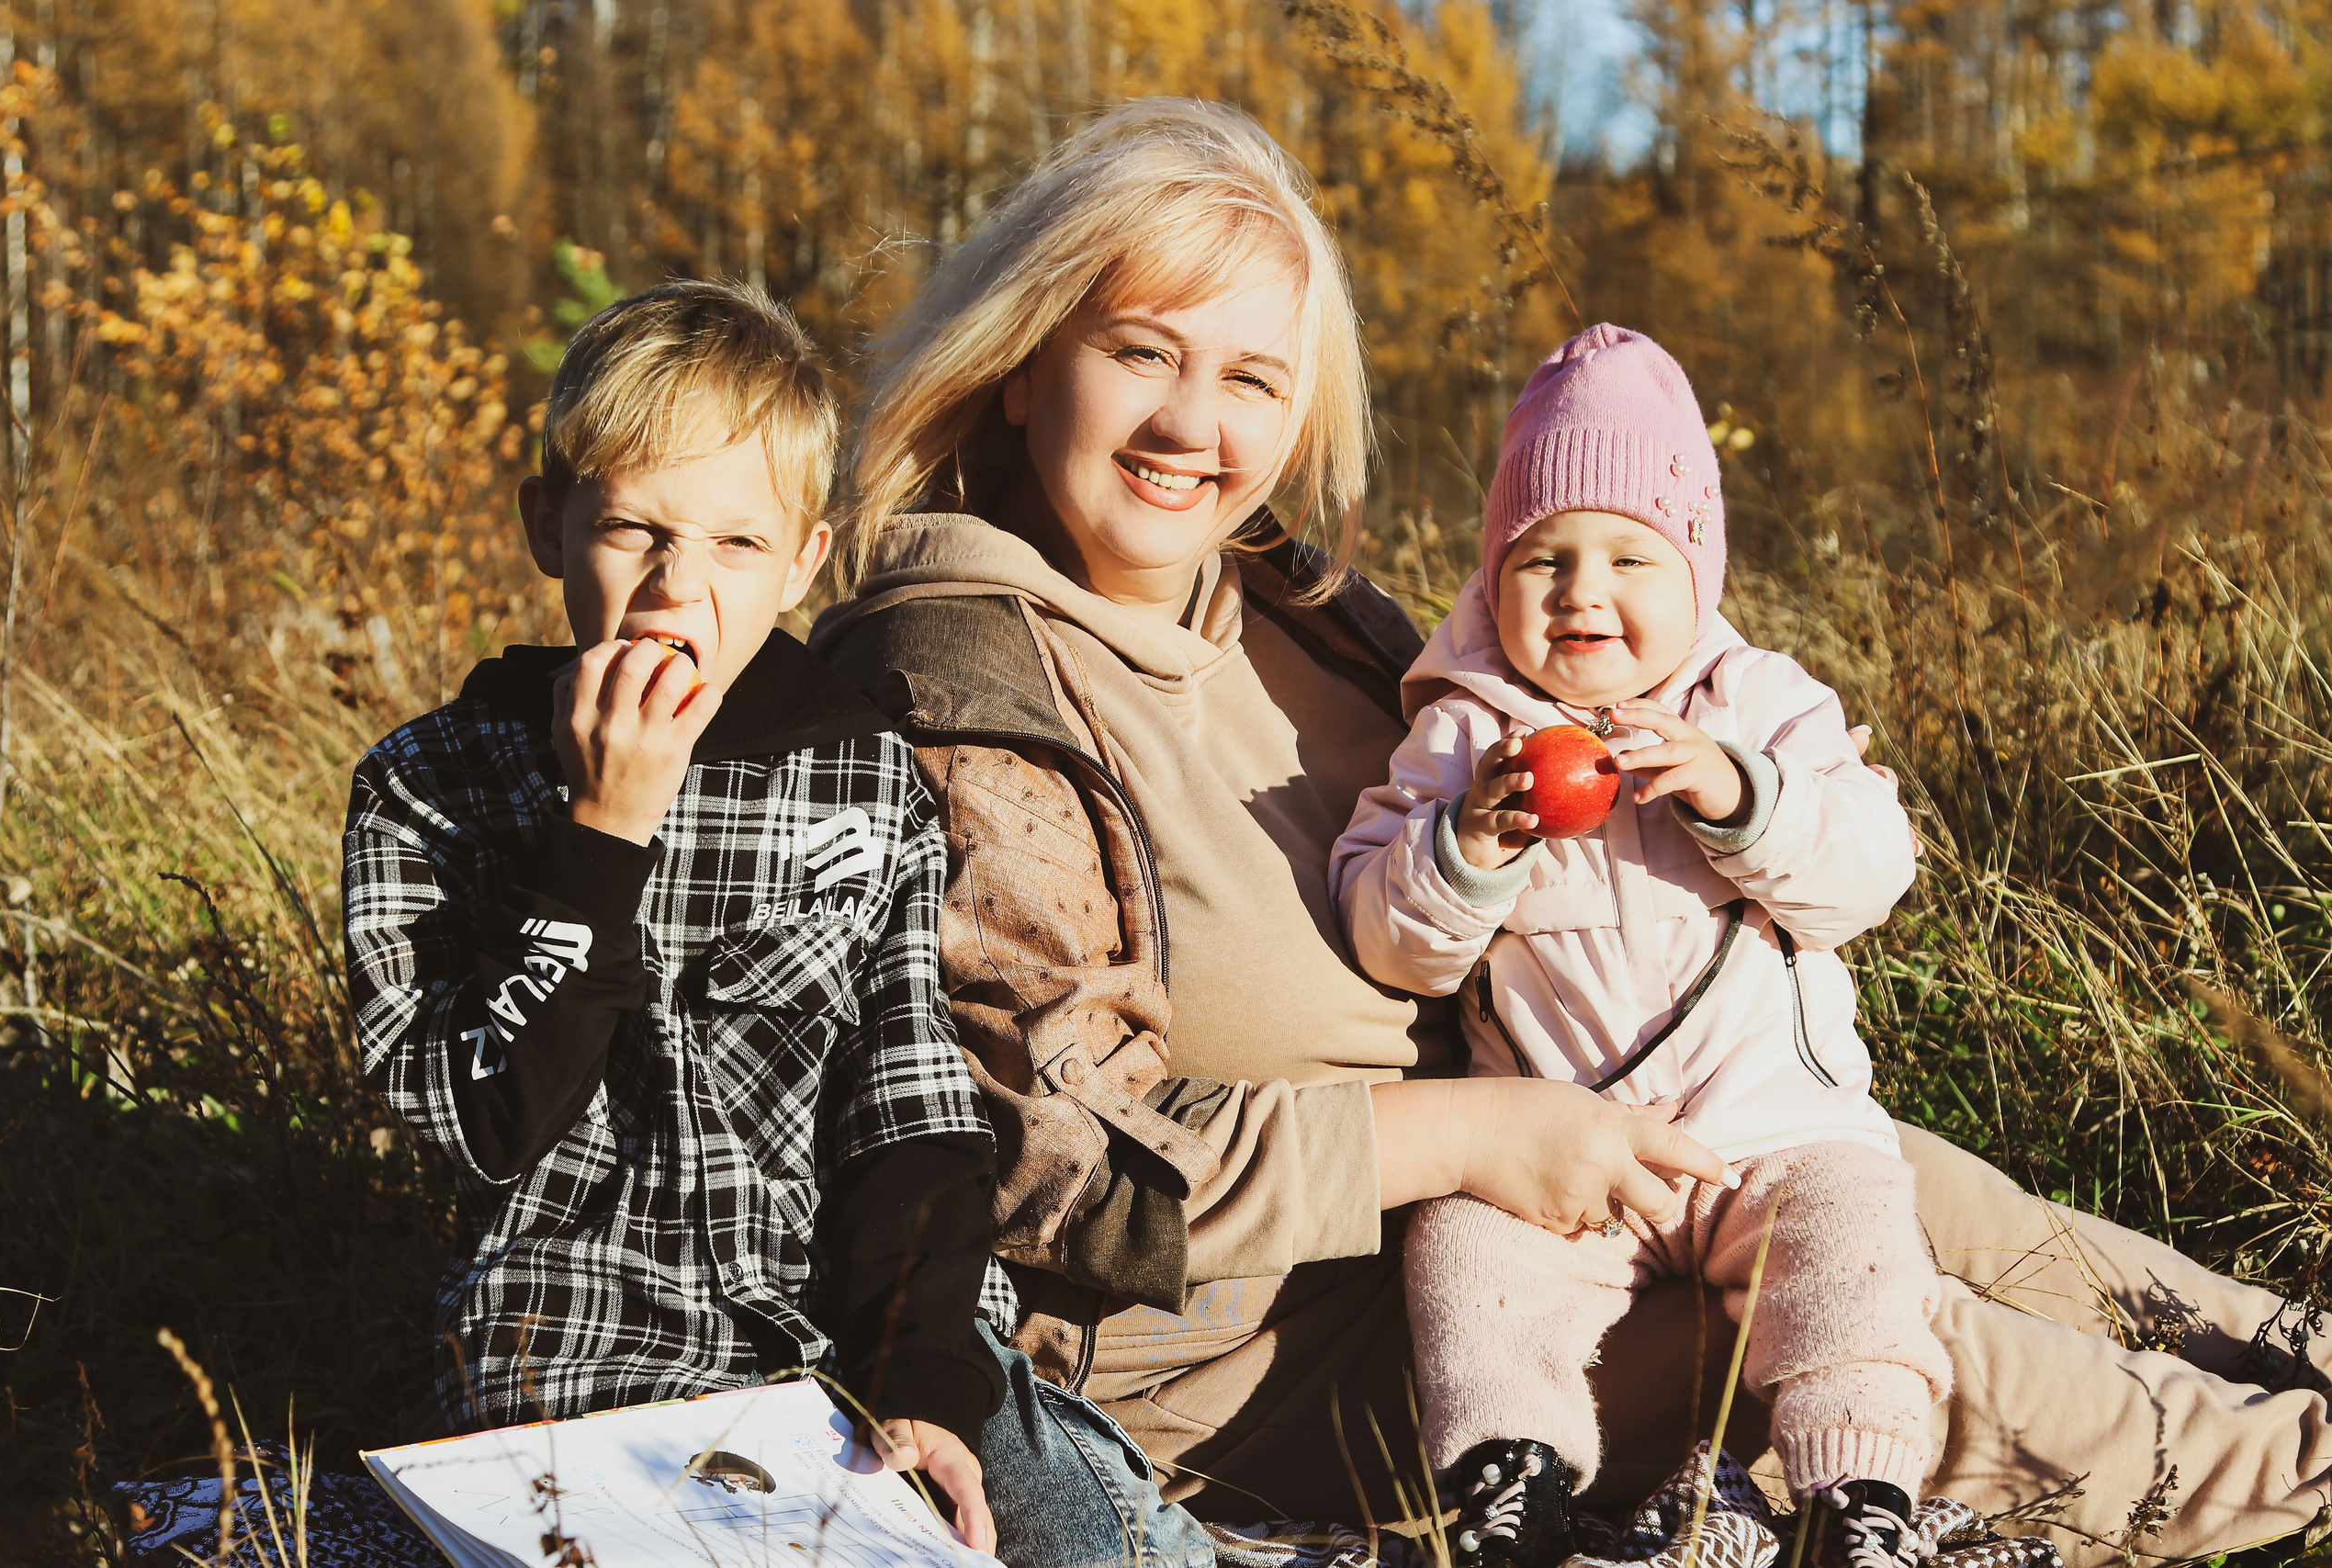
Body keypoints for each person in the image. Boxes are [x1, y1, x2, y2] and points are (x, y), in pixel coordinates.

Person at [814, 96, 2332, 1568]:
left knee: (1886, 1175)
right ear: (1021, 365)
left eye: (1255, 380)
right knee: (1859, 1328)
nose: (1193, 426)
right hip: (1295, 1333)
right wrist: (1489, 1135)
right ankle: (2305, 1479)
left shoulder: (1285, 600)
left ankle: (2302, 1346)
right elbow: (1056, 1167)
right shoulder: (965, 687)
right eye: (1140, 352)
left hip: (1561, 1138)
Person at [344, 280, 1007, 1551]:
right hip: (559, 1337)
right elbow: (474, 1122)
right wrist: (602, 836)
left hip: (823, 1339)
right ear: (549, 525)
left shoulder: (862, 784)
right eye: (634, 529)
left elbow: (909, 1109)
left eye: (736, 545)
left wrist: (917, 1382)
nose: (674, 586)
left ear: (806, 560)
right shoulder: (433, 786)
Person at [1331, 324, 1944, 1568]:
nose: (1581, 590)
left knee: (1858, 1251)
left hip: (1770, 1141)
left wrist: (1741, 795)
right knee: (1463, 1257)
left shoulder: (1762, 706)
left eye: (1628, 555)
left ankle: (1858, 1492)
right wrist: (1469, 846)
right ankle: (1512, 1479)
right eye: (1541, 559)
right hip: (1563, 1168)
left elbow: (1870, 871)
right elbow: (1387, 939)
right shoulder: (1464, 737)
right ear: (1493, 576)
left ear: (1698, 568)